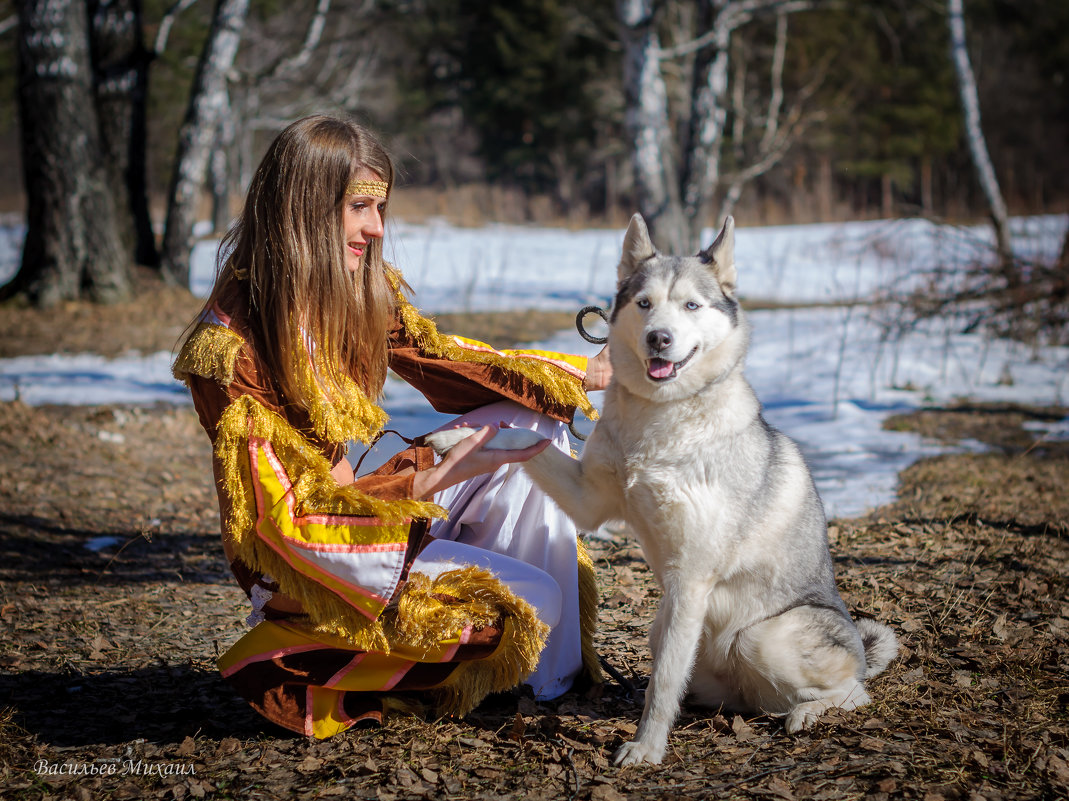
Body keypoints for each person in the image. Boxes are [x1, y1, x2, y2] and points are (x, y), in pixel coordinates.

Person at [173, 114, 611, 739]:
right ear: (303, 208)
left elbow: (442, 359)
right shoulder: (229, 352)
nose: (376, 228)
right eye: (359, 207)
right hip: (317, 572)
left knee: (530, 421)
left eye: (379, 207)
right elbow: (283, 521)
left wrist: (586, 370)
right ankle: (297, 658)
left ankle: (546, 686)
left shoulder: (355, 290)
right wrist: (426, 480)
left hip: (373, 522)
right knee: (524, 607)